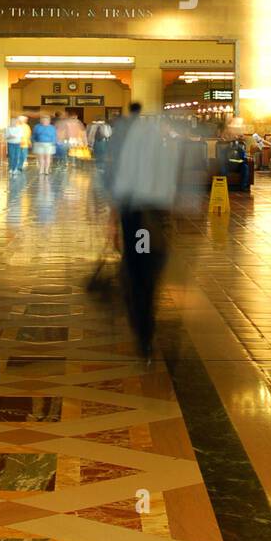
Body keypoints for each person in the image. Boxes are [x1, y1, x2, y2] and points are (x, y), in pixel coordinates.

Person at [108, 112, 181, 361]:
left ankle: (143, 325)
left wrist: (113, 227)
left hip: (139, 224)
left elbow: (119, 194)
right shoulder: (163, 158)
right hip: (153, 224)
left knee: (139, 274)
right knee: (147, 275)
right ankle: (145, 325)